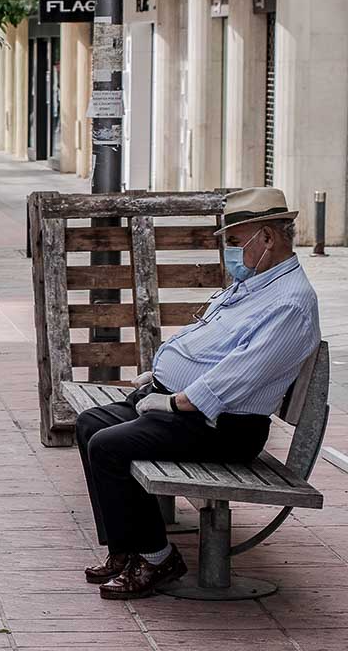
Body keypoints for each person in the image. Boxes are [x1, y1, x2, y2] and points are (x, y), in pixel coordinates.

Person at [75, 188, 319, 600]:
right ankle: (126, 549)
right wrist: (160, 375)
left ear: (267, 238)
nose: (228, 252)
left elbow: (238, 377)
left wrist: (173, 401)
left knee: (109, 446)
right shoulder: (256, 284)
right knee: (90, 423)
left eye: (234, 242)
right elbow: (208, 338)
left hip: (221, 426)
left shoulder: (290, 303)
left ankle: (157, 558)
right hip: (186, 410)